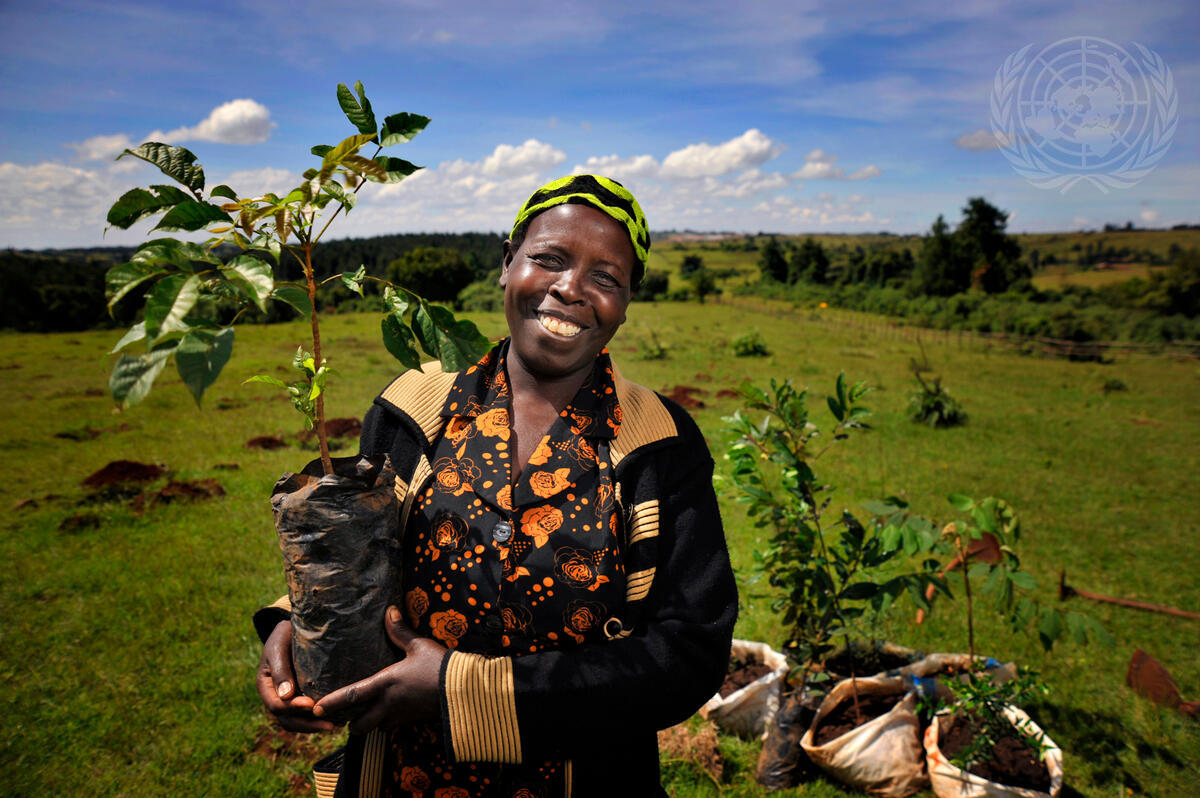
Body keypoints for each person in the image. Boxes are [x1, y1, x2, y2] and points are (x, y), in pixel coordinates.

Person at [255, 174, 738, 797]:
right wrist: (298, 627)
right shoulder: (414, 408)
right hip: (400, 776)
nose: (570, 289)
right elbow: (362, 561)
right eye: (549, 259)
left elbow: (689, 654)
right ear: (507, 264)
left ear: (626, 301)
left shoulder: (658, 444)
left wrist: (459, 692)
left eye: (606, 278)